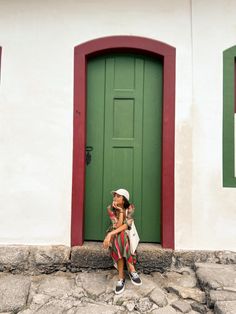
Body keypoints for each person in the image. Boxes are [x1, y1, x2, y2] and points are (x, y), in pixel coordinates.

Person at [103, 188, 142, 294]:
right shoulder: (110, 209)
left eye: (118, 196)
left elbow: (126, 226)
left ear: (124, 200)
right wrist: (119, 212)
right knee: (120, 236)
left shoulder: (130, 208)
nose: (114, 197)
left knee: (121, 236)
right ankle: (131, 268)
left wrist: (110, 234)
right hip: (117, 233)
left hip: (129, 233)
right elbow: (117, 226)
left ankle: (121, 277)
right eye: (114, 195)